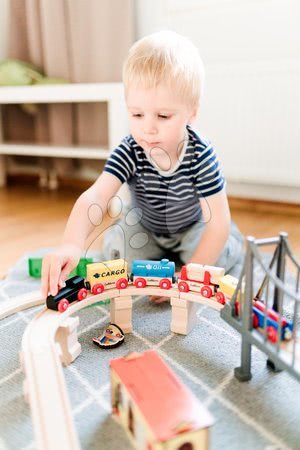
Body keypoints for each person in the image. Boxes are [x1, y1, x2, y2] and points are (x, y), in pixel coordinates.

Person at [41, 30, 243, 302]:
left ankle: (212, 252)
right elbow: (96, 196)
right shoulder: (131, 148)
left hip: (193, 228)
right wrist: (71, 243)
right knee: (116, 255)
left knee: (214, 256)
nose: (147, 128)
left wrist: (186, 279)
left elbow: (217, 222)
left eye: (162, 115)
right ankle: (163, 259)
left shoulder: (200, 153)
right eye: (137, 114)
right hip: (146, 227)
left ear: (192, 112)